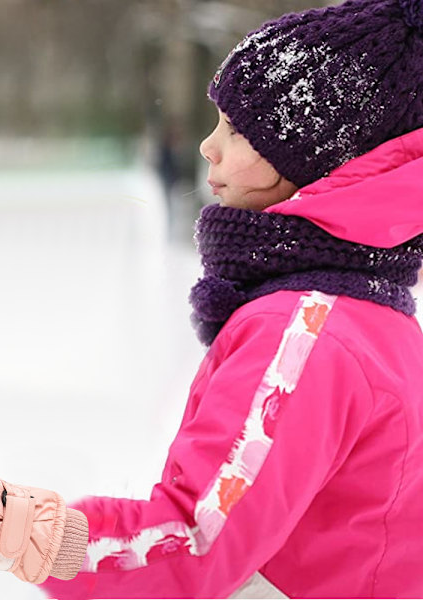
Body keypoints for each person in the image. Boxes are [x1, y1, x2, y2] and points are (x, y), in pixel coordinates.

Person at [37, 0, 423, 597]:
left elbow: (194, 545)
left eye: (237, 131)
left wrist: (13, 533)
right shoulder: (371, 312)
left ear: (316, 159)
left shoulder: (303, 330)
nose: (206, 147)